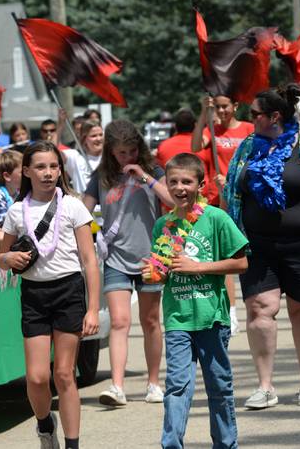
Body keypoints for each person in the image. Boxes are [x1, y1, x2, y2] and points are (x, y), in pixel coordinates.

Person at [222, 84, 300, 409]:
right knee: (259, 310)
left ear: (274, 116)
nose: (248, 119)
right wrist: (228, 232)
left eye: (254, 114)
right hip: (256, 245)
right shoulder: (248, 146)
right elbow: (232, 189)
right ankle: (265, 387)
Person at [0, 140, 100, 449]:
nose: (48, 173)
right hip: (34, 294)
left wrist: (92, 309)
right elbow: (2, 257)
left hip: (68, 291)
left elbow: (89, 261)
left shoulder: (73, 205)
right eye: (40, 167)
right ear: (26, 171)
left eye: (53, 166)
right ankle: (44, 425)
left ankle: (72, 444)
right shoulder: (16, 211)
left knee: (65, 374)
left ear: (60, 170)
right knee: (38, 378)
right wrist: (7, 259)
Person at [142, 153, 247, 449]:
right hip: (177, 318)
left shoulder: (216, 219)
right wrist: (153, 273)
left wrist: (198, 266)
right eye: (173, 181)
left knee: (219, 386)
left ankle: (225, 444)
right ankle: (172, 444)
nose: (179, 187)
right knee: (176, 386)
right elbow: (163, 270)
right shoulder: (164, 224)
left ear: (200, 184)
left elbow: (241, 264)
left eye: (187, 181)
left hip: (211, 317)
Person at [82, 120, 174, 407]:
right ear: (110, 151)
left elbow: (172, 199)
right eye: (121, 153)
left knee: (150, 321)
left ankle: (154, 383)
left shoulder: (155, 169)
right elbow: (82, 211)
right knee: (120, 321)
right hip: (116, 259)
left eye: (132, 151)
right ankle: (117, 386)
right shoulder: (101, 176)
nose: (127, 157)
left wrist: (145, 176)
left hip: (151, 257)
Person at [191, 94, 254, 335]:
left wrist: (233, 181)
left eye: (225, 106)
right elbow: (196, 146)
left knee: (247, 254)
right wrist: (202, 115)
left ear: (236, 106)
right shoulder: (212, 130)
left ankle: (253, 302)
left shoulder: (248, 129)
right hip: (218, 200)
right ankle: (231, 311)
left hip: (244, 197)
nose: (221, 111)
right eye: (217, 107)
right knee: (225, 256)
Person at [63, 120, 104, 193]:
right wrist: (60, 124)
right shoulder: (75, 157)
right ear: (84, 139)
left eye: (101, 135)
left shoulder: (110, 158)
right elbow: (52, 153)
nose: (98, 139)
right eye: (93, 136)